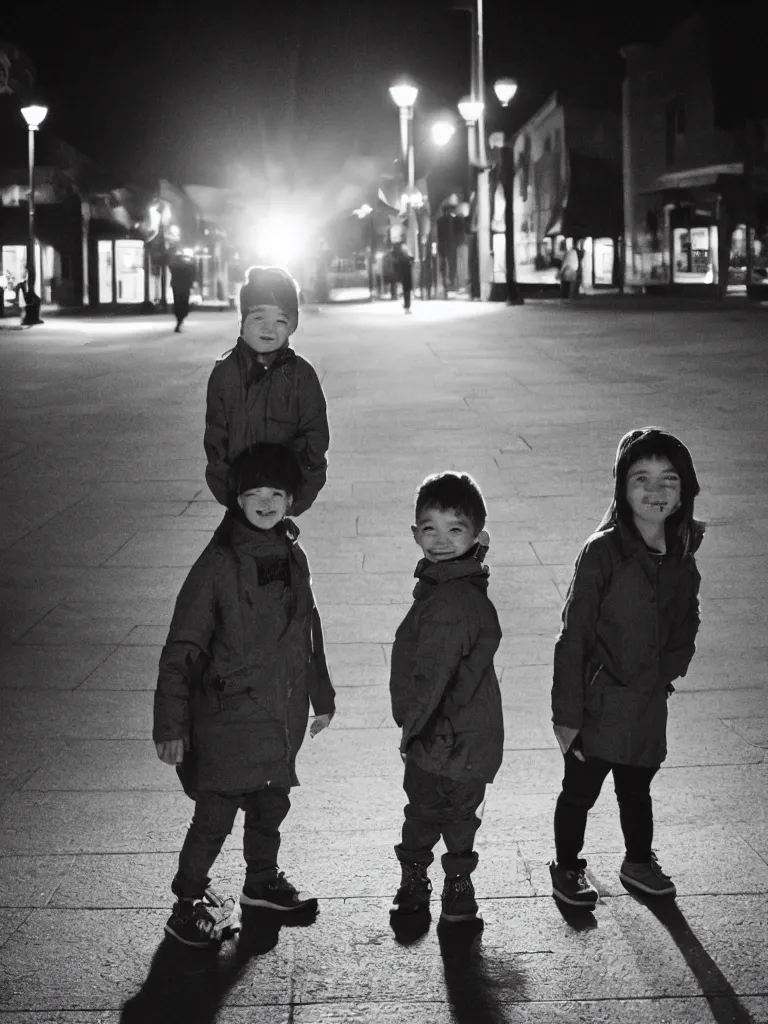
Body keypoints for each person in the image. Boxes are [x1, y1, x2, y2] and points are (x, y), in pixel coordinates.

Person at [153, 442, 336, 948]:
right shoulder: (217, 563)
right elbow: (182, 647)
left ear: (292, 498)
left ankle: (261, 883)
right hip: (228, 718)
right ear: (235, 497)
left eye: (276, 492)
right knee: (212, 819)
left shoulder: (293, 554)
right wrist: (170, 725)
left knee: (270, 806)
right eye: (253, 492)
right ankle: (187, 905)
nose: (264, 501)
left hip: (279, 716)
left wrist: (321, 694)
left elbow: (308, 629)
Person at [550, 427, 704, 911]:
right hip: (598, 704)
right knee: (580, 791)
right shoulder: (603, 551)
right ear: (622, 488)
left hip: (645, 703)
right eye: (642, 478)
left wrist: (667, 671)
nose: (655, 491)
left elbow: (687, 619)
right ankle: (568, 865)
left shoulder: (681, 556)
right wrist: (566, 714)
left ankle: (638, 860)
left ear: (684, 493)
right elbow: (572, 633)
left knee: (637, 789)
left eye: (669, 480)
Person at [389, 472, 503, 923]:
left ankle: (415, 880)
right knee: (461, 815)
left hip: (440, 735)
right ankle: (458, 888)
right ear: (414, 533)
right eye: (429, 528)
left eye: (454, 529)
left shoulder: (448, 601)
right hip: (474, 736)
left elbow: (431, 677)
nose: (439, 540)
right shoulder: (462, 584)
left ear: (476, 536)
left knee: (422, 812)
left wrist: (410, 731)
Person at [204, 265, 329, 517]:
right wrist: (232, 495)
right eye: (259, 318)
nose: (269, 329)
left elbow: (314, 439)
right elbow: (216, 441)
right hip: (241, 499)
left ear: (292, 325)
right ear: (242, 322)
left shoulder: (300, 376)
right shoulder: (225, 376)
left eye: (281, 320)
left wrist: (297, 497)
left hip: (283, 498)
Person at [170, 254, 196, 332]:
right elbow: (193, 272)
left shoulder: (175, 266)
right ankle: (180, 319)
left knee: (178, 303)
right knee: (183, 304)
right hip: (184, 287)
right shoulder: (188, 267)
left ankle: (179, 319)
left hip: (177, 287)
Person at [391, 241, 414, 313]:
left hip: (401, 276)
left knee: (404, 290)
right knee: (407, 291)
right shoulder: (406, 256)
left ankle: (405, 304)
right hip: (406, 275)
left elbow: (395, 266)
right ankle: (407, 306)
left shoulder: (398, 256)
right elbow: (411, 259)